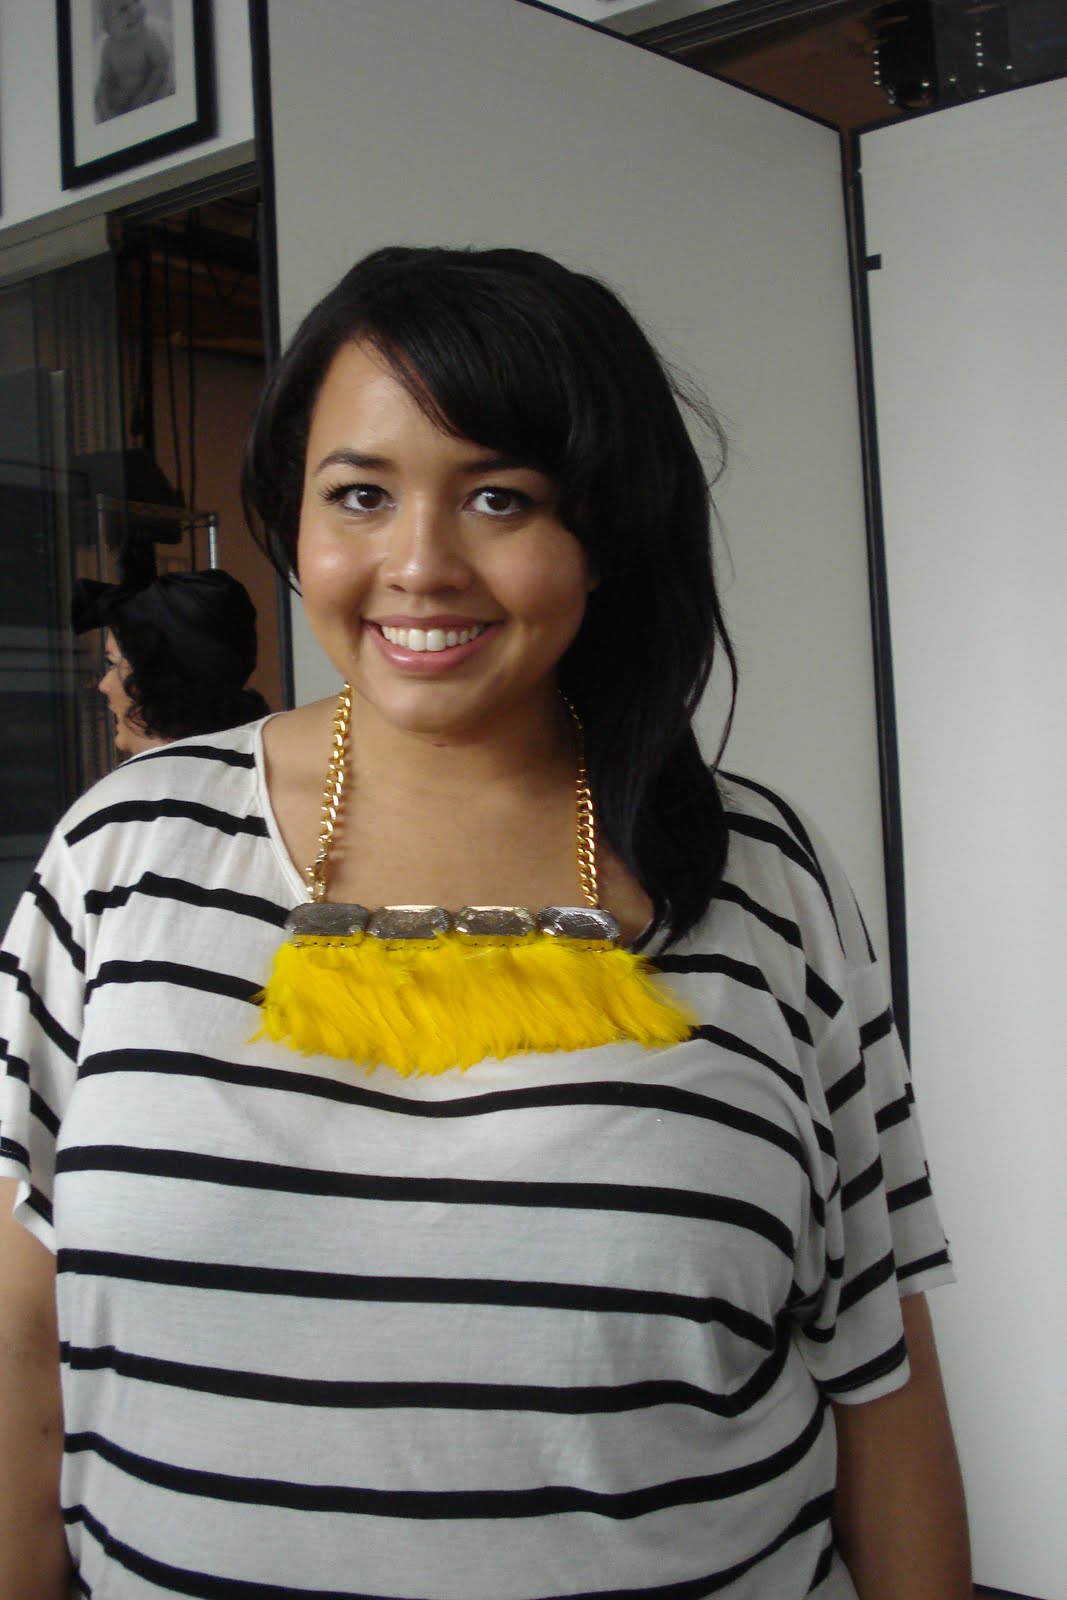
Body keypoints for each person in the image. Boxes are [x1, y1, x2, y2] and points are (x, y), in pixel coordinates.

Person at [0, 246, 971, 1599]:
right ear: (294, 515)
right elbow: (23, 1343)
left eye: (499, 497)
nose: (418, 565)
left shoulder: (764, 878)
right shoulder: (120, 855)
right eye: (359, 494)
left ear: (602, 532)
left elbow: (877, 1370)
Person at [71, 553, 271, 759]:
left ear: (160, 681)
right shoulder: (257, 761)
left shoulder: (146, 779)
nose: (103, 685)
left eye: (113, 664)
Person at [94, 0, 173, 124]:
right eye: (123, 9)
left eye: (136, 1)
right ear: (107, 27)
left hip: (151, 90)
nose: (135, 10)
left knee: (167, 89)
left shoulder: (148, 38)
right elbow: (105, 79)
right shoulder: (108, 48)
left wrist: (145, 95)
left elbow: (161, 66)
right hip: (124, 99)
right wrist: (103, 106)